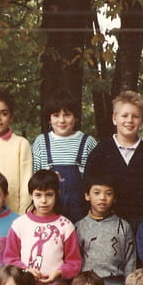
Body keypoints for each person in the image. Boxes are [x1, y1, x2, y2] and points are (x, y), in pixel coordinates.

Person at [3, 169, 82, 285]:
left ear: (57, 194)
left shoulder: (65, 226)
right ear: (31, 195)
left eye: (49, 195)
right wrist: (25, 270)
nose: (44, 200)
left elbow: (74, 263)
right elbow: (9, 258)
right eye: (38, 195)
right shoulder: (20, 224)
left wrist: (59, 273)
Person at [83, 90, 143, 233]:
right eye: (124, 115)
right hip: (107, 223)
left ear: (141, 120)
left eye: (135, 116)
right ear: (114, 119)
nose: (129, 120)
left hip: (142, 224)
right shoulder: (101, 151)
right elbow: (89, 184)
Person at [75, 174, 136, 285]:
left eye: (108, 193)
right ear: (87, 196)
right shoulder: (79, 227)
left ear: (114, 198)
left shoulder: (123, 226)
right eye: (97, 193)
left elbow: (130, 261)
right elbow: (76, 261)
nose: (102, 198)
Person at [32, 93, 98, 223]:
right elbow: (34, 181)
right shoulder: (41, 142)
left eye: (67, 115)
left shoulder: (88, 143)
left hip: (82, 217)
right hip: (48, 216)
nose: (61, 120)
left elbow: (97, 181)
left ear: (76, 117)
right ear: (49, 119)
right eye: (56, 115)